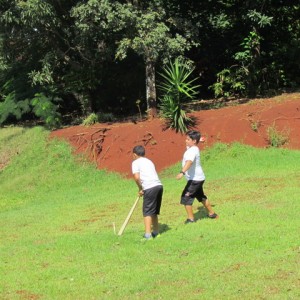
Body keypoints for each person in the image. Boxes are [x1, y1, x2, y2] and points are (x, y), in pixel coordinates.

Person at [176, 130, 218, 223]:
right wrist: (199, 140)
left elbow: (189, 162)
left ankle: (191, 219)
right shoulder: (193, 148)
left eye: (188, 139)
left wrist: (182, 172)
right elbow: (190, 146)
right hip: (198, 178)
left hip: (194, 180)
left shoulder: (192, 151)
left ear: (193, 141)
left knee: (186, 198)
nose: (185, 141)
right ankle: (212, 214)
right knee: (201, 196)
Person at [132, 145, 163, 240]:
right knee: (153, 211)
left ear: (134, 154)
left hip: (149, 188)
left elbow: (137, 177)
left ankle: (148, 235)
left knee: (147, 212)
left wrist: (141, 188)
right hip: (159, 186)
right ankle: (156, 232)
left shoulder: (135, 162)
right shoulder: (149, 161)